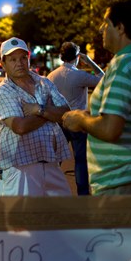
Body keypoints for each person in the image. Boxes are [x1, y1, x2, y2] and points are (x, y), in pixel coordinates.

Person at [62, 0, 131, 195]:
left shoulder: (124, 65)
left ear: (120, 28)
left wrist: (80, 119)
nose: (101, 29)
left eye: (106, 23)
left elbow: (110, 129)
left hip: (125, 182)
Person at [0, 37, 72, 196]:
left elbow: (65, 113)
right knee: (23, 219)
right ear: (3, 64)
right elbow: (20, 126)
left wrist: (38, 109)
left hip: (50, 161)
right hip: (20, 168)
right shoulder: (3, 91)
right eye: (12, 59)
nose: (19, 63)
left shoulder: (44, 82)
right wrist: (49, 112)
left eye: (23, 58)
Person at [47, 41, 104, 195]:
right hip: (78, 122)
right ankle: (83, 194)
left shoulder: (51, 76)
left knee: (55, 160)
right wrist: (90, 62)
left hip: (59, 122)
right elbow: (103, 79)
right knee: (80, 160)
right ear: (77, 57)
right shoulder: (79, 75)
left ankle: (51, 190)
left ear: (61, 56)